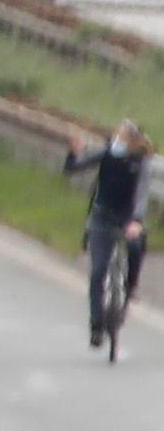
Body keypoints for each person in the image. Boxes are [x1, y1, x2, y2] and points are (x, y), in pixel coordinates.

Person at [70, 123, 150, 345]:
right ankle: (96, 326)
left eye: (123, 139)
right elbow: (75, 167)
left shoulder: (140, 162)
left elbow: (142, 193)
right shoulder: (106, 154)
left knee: (136, 247)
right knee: (97, 272)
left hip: (127, 219)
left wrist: (136, 221)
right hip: (101, 217)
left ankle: (130, 287)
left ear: (133, 143)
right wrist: (73, 153)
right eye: (117, 138)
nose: (118, 143)